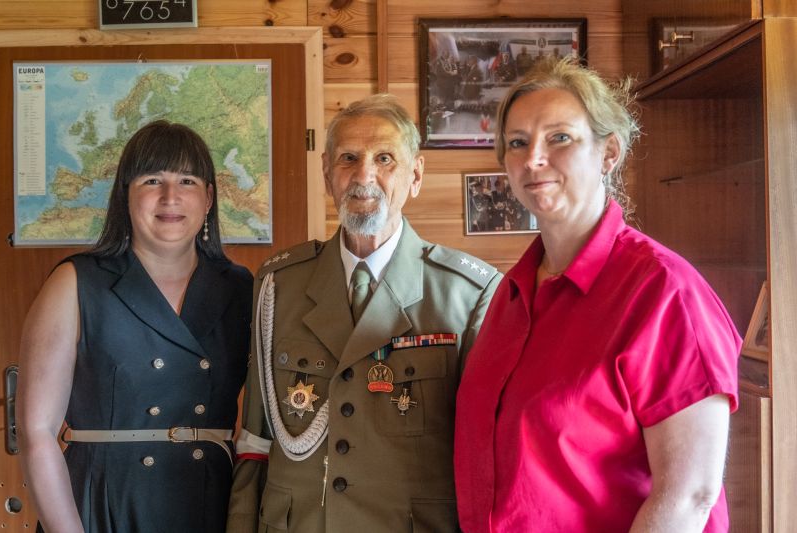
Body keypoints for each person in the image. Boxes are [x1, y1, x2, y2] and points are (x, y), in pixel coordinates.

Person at [454, 57, 740, 532]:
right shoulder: (512, 292)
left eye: (559, 138)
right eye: (517, 143)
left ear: (609, 153)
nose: (533, 159)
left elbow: (689, 497)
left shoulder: (665, 291)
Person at [228, 94, 501, 533]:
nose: (363, 176)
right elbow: (256, 439)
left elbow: (486, 455)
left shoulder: (469, 295)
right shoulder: (279, 283)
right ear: (327, 174)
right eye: (348, 158)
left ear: (416, 175)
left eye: (385, 159)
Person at [17, 120, 253, 533]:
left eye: (187, 180)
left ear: (209, 197)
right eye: (152, 180)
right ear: (125, 194)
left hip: (210, 502)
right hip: (102, 503)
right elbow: (36, 432)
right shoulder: (76, 282)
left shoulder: (242, 287)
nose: (170, 196)